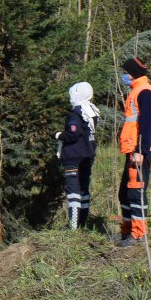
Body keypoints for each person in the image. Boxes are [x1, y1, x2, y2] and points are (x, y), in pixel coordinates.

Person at [118, 56, 151, 248]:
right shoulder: (137, 90)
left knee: (136, 192)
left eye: (125, 72)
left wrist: (140, 151)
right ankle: (127, 231)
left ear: (132, 73)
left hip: (139, 152)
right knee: (125, 193)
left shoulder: (145, 92)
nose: (123, 76)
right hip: (132, 151)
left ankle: (138, 235)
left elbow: (149, 125)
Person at [57, 82, 99, 230]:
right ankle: (82, 223)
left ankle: (73, 226)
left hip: (73, 156)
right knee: (84, 189)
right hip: (88, 154)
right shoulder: (92, 111)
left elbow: (73, 133)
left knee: (73, 191)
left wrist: (60, 135)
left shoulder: (76, 113)